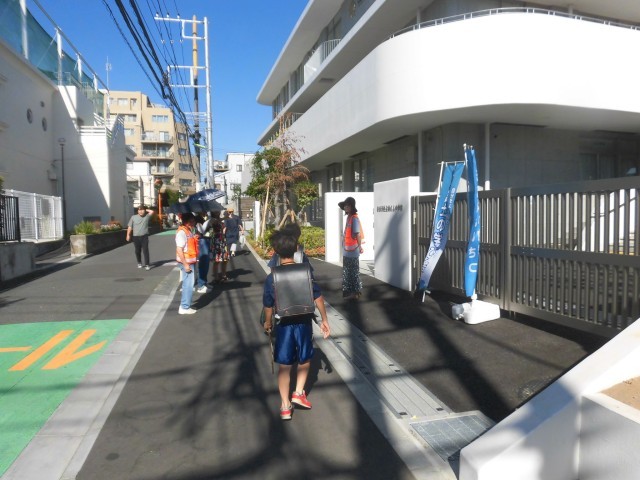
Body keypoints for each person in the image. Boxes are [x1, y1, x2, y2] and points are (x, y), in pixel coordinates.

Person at [262, 229, 330, 420]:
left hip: (284, 324)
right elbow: (318, 297)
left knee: (285, 365)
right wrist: (324, 320)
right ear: (296, 250)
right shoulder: (305, 271)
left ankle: (285, 405)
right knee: (305, 358)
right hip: (304, 320)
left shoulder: (272, 277)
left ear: (276, 252)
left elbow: (268, 304)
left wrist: (267, 322)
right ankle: (299, 392)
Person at [339, 196, 363, 299]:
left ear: (352, 207)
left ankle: (356, 292)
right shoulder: (349, 217)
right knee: (347, 272)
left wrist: (360, 246)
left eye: (347, 206)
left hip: (353, 251)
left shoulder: (354, 218)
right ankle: (348, 291)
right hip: (346, 250)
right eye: (345, 206)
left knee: (354, 272)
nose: (345, 207)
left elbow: (358, 234)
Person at [175, 212, 199, 314]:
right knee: (188, 284)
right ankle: (184, 307)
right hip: (187, 262)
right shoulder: (182, 232)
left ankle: (185, 304)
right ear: (187, 222)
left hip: (189, 261)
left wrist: (195, 238)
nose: (194, 223)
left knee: (188, 284)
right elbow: (179, 249)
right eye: (192, 221)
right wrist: (185, 264)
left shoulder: (188, 231)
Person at [126, 205, 154, 270]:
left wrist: (145, 209)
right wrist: (128, 235)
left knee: (145, 250)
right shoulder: (133, 217)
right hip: (136, 237)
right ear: (137, 211)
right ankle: (139, 262)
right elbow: (130, 227)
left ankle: (147, 264)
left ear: (144, 210)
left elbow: (152, 211)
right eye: (139, 210)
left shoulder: (147, 216)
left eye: (142, 210)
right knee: (137, 251)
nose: (140, 211)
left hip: (144, 236)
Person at [209, 210, 230, 283]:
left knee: (225, 259)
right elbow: (210, 231)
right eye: (216, 211)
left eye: (218, 211)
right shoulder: (211, 220)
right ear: (212, 212)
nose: (218, 212)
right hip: (216, 241)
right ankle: (216, 277)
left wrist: (224, 218)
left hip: (222, 240)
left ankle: (224, 275)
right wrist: (224, 218)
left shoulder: (219, 220)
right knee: (217, 260)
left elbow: (221, 224)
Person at [194, 214, 212, 294]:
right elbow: (198, 232)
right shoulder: (196, 218)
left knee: (206, 263)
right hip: (202, 241)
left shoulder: (206, 217)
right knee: (203, 263)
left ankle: (204, 282)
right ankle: (201, 285)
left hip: (206, 240)